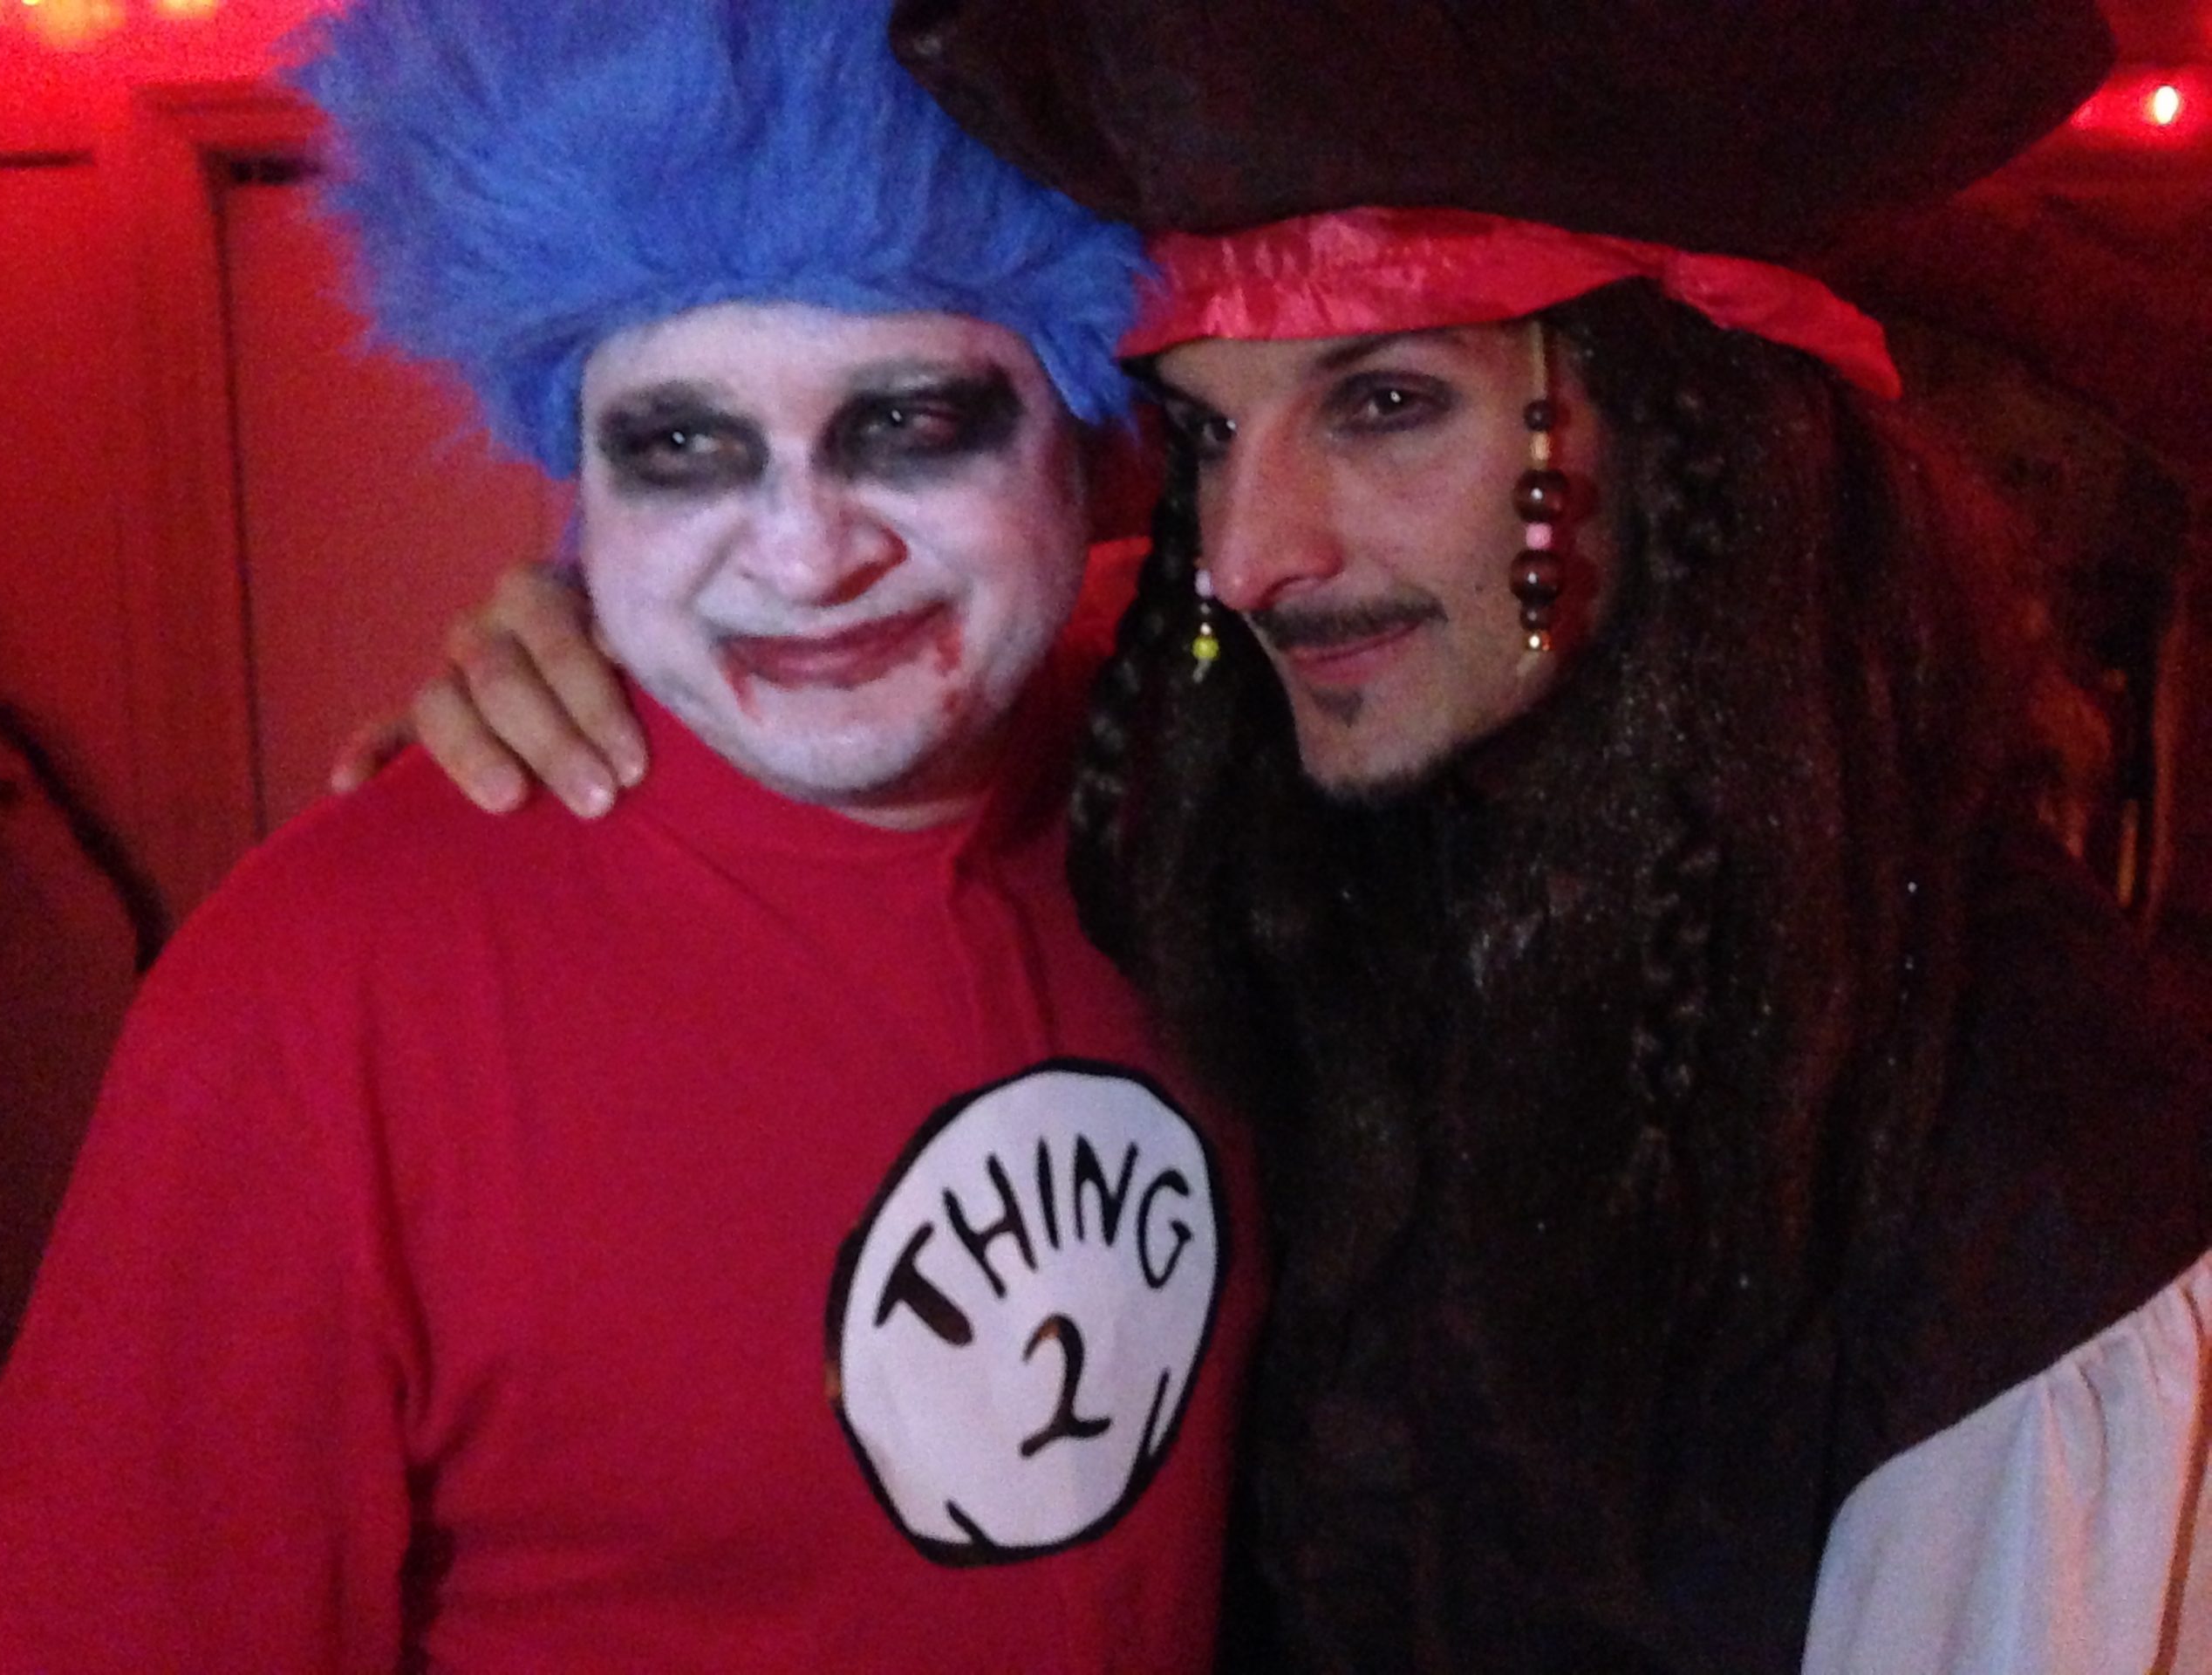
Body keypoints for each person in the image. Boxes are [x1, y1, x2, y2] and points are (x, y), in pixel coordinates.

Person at [379, 2, 2212, 1671]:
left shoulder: (2026, 1144)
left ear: (1691, 435)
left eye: (1386, 404)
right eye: (1204, 438)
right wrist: (642, 653)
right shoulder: (1266, 814)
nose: (1253, 558)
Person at [0, 0, 1263, 1668]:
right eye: (681, 449)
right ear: (581, 492)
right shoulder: (309, 1003)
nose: (803, 555)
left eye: (910, 423)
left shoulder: (1227, 781)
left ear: (1088, 445)